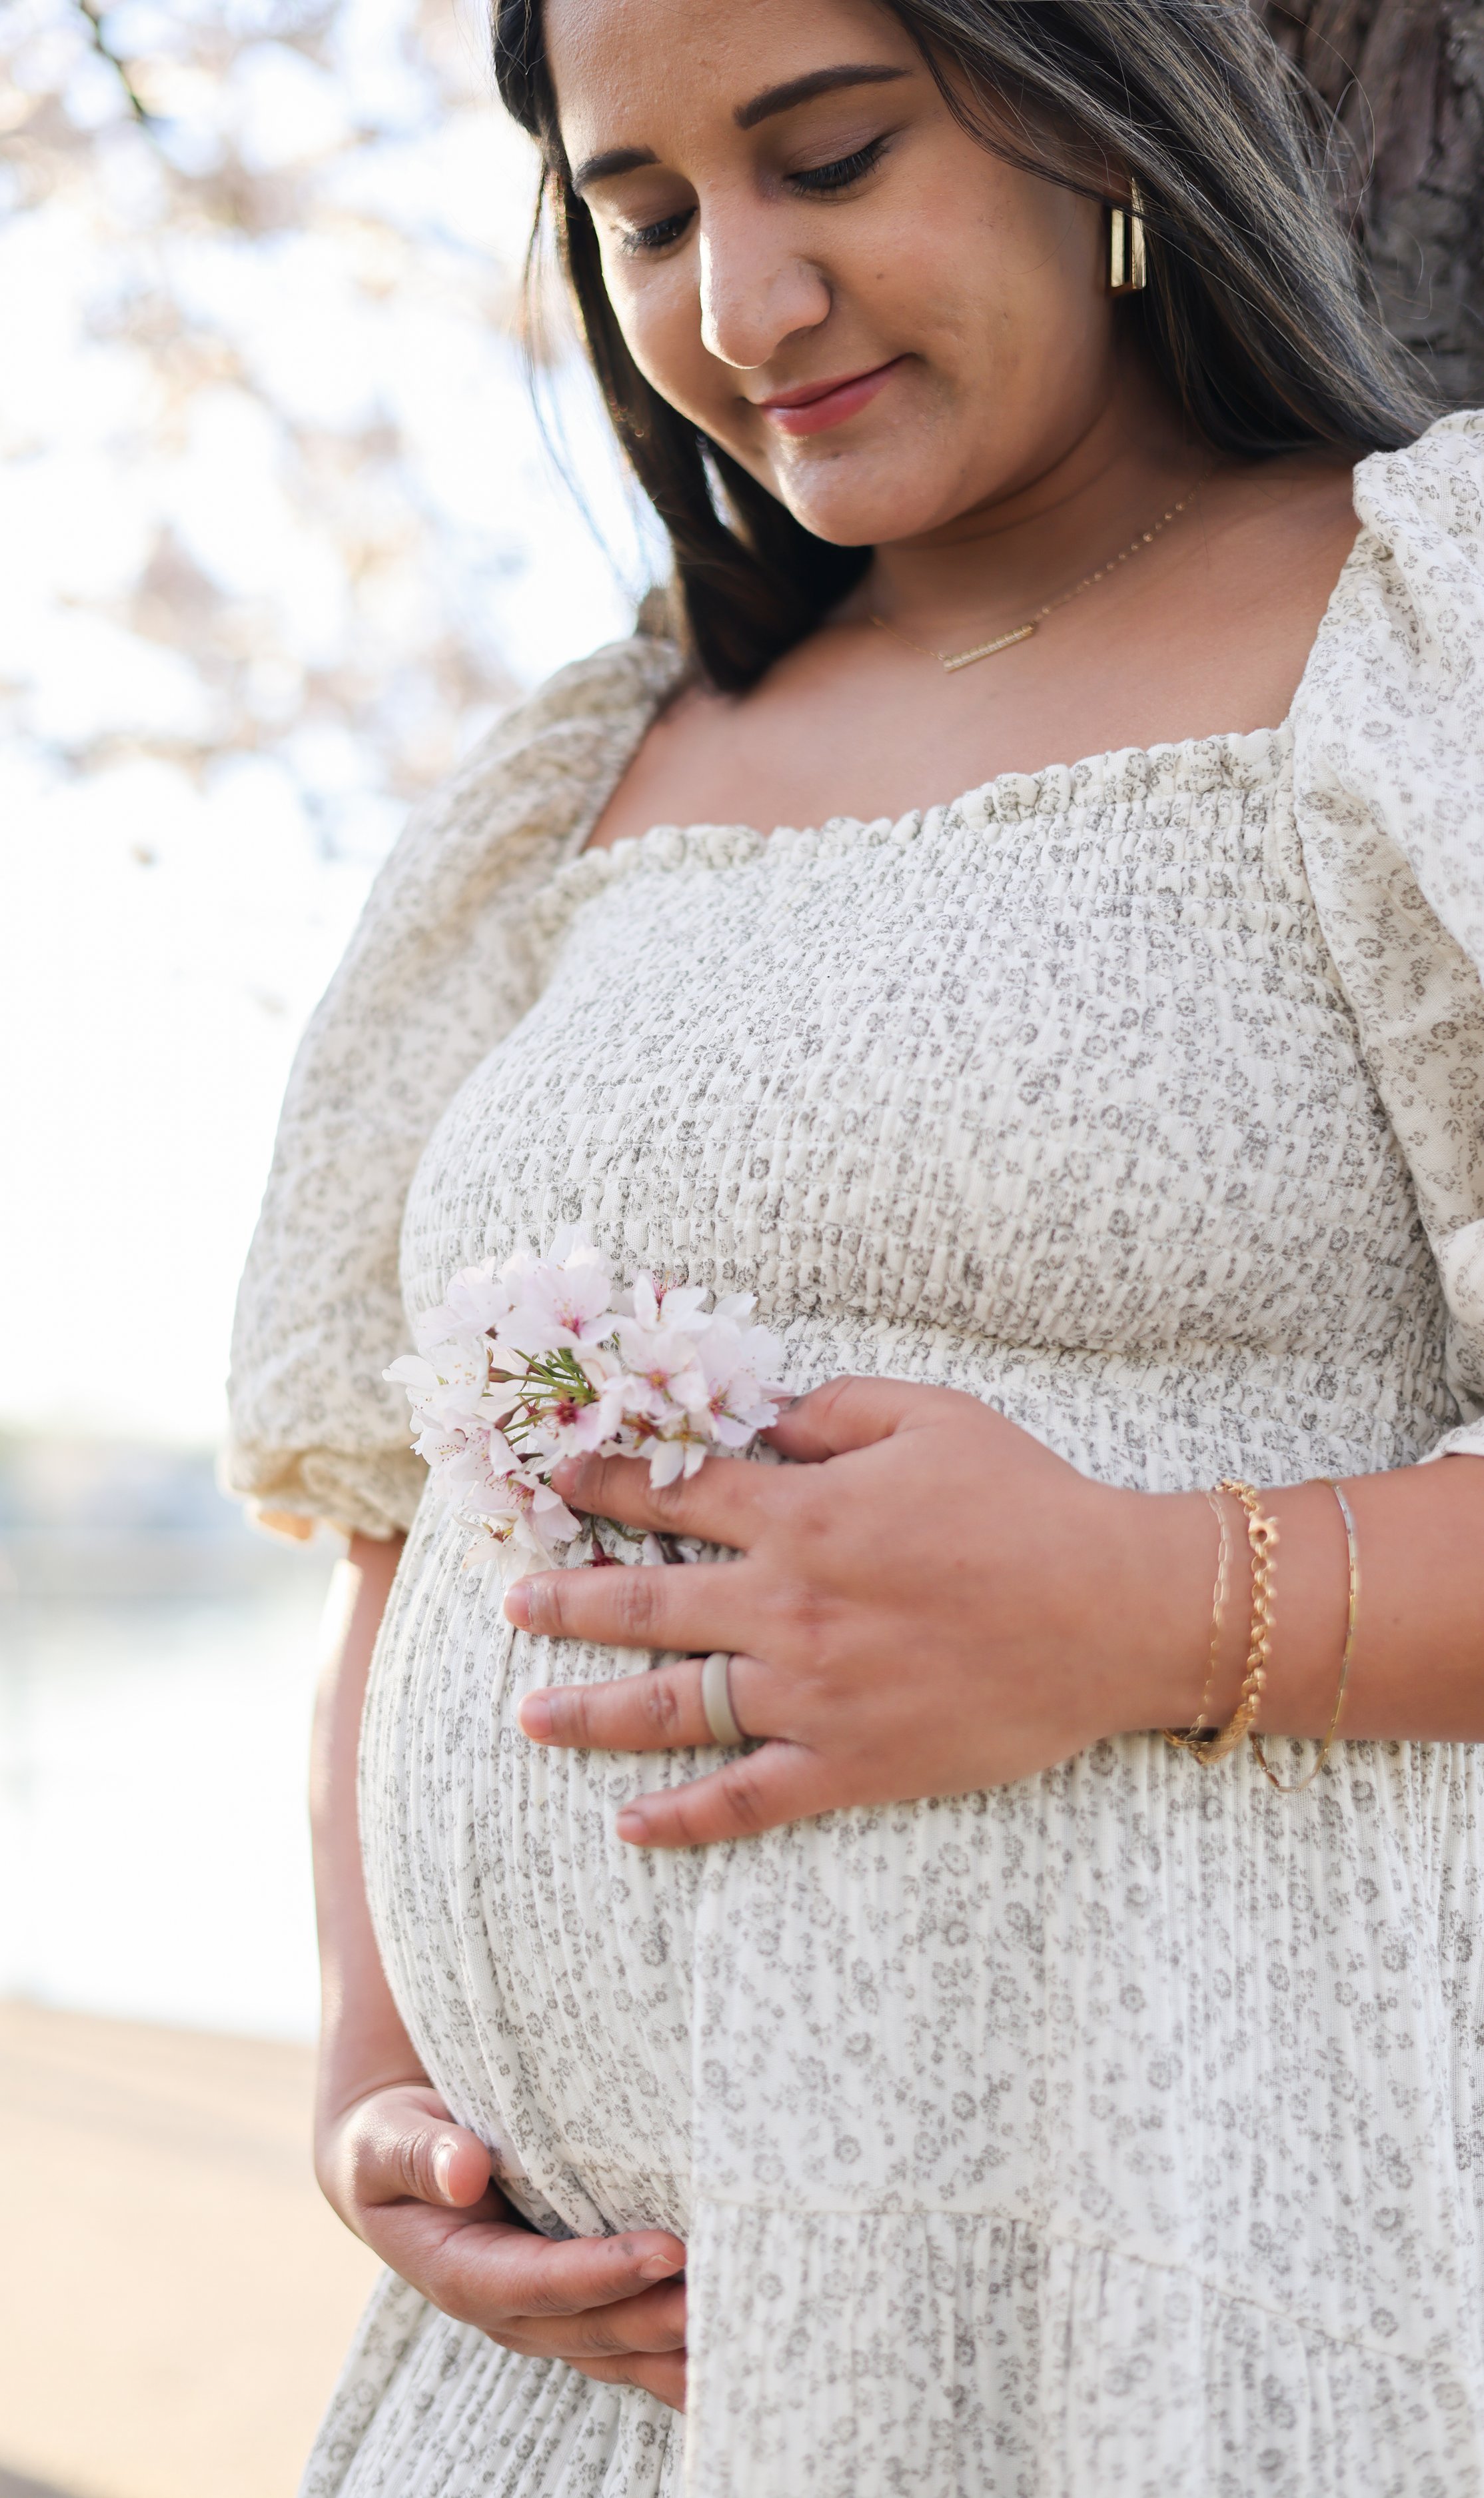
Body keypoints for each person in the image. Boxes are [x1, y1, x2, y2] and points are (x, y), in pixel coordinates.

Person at [225, 0, 1484, 2488]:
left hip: (1180, 2326)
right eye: (649, 216)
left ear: (1110, 111)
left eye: (831, 157)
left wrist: (1141, 1597)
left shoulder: (1422, 625)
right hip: (570, 2383)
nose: (742, 308)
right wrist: (379, 2089)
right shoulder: (589, 767)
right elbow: (401, 1521)